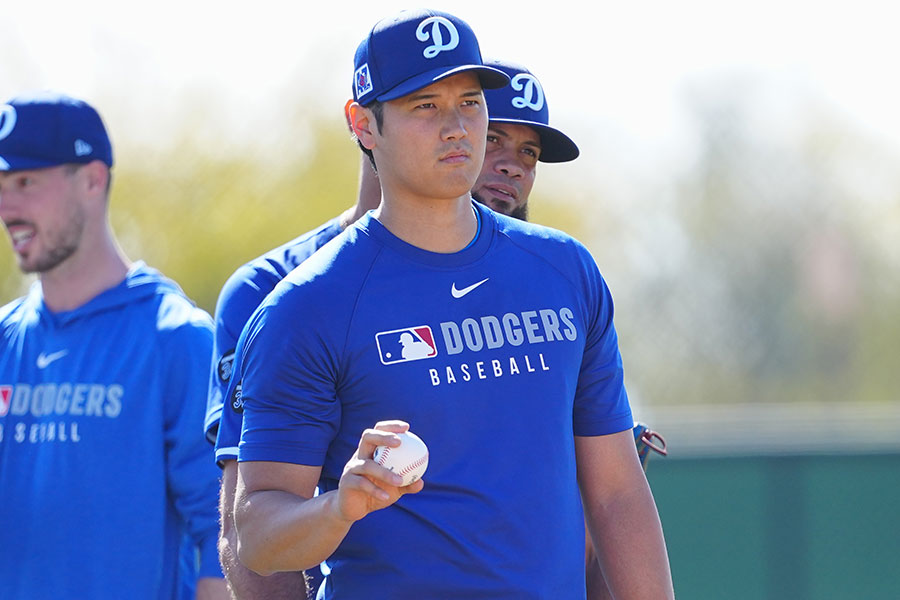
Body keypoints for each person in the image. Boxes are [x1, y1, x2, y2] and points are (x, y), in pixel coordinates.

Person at [231, 8, 674, 599]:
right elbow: (257, 534)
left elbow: (617, 494)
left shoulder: (565, 271)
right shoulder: (305, 307)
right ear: (363, 124)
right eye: (425, 106)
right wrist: (339, 506)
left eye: (469, 102)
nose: (456, 127)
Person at [0, 92, 228, 600]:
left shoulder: (178, 339)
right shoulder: (5, 340)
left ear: (92, 179)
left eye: (25, 182)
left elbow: (223, 535)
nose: (6, 207)